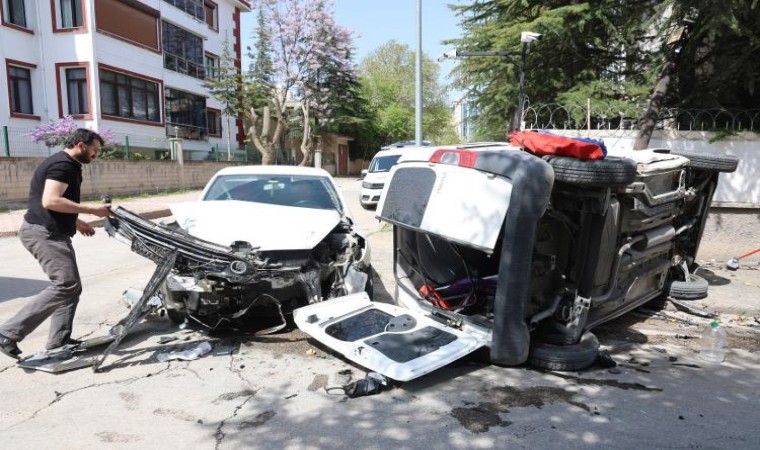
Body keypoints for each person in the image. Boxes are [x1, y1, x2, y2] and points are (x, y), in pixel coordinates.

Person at [0, 129, 112, 359]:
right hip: (44, 233)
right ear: (81, 145)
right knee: (66, 285)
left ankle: (58, 341)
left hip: (50, 230)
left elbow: (52, 203)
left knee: (71, 288)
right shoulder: (63, 165)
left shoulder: (66, 164)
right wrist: (93, 210)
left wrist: (77, 220)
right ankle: (7, 333)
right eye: (95, 149)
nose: (96, 154)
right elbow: (50, 200)